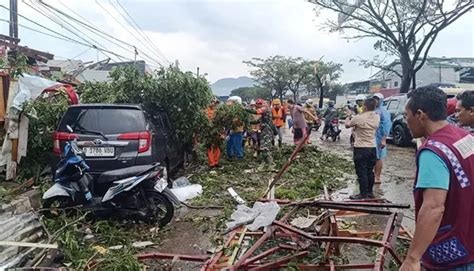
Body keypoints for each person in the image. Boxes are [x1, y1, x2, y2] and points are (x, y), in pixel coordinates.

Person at [400, 86, 474, 271]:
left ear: (420, 114)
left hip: (454, 254)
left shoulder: (433, 152)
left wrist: (412, 258)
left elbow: (433, 207)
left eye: (406, 115)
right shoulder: (465, 137)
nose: (405, 121)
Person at [344, 98, 380, 199]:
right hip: (372, 147)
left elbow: (347, 125)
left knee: (361, 171)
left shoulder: (359, 118)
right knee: (370, 171)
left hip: (361, 147)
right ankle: (370, 192)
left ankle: (363, 194)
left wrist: (348, 116)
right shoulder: (377, 117)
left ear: (364, 106)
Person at [250, 99, 277, 171]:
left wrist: (244, 109)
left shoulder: (265, 108)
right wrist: (248, 122)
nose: (256, 107)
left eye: (257, 105)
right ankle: (265, 164)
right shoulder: (264, 112)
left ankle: (271, 165)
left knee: (265, 148)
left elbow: (256, 112)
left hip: (267, 131)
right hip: (264, 131)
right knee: (263, 148)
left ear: (260, 104)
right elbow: (257, 121)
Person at [373, 93, 392, 184]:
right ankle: (373, 175)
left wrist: (384, 139)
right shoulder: (373, 110)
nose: (375, 101)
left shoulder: (383, 111)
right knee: (373, 156)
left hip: (380, 137)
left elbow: (387, 125)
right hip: (372, 136)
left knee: (379, 157)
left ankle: (377, 177)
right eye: (374, 99)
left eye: (377, 99)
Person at [206, 99, 221, 168]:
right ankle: (211, 163)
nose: (214, 104)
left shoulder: (217, 111)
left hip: (217, 131)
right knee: (210, 147)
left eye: (215, 103)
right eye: (212, 102)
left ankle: (216, 162)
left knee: (217, 147)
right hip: (209, 131)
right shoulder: (206, 111)